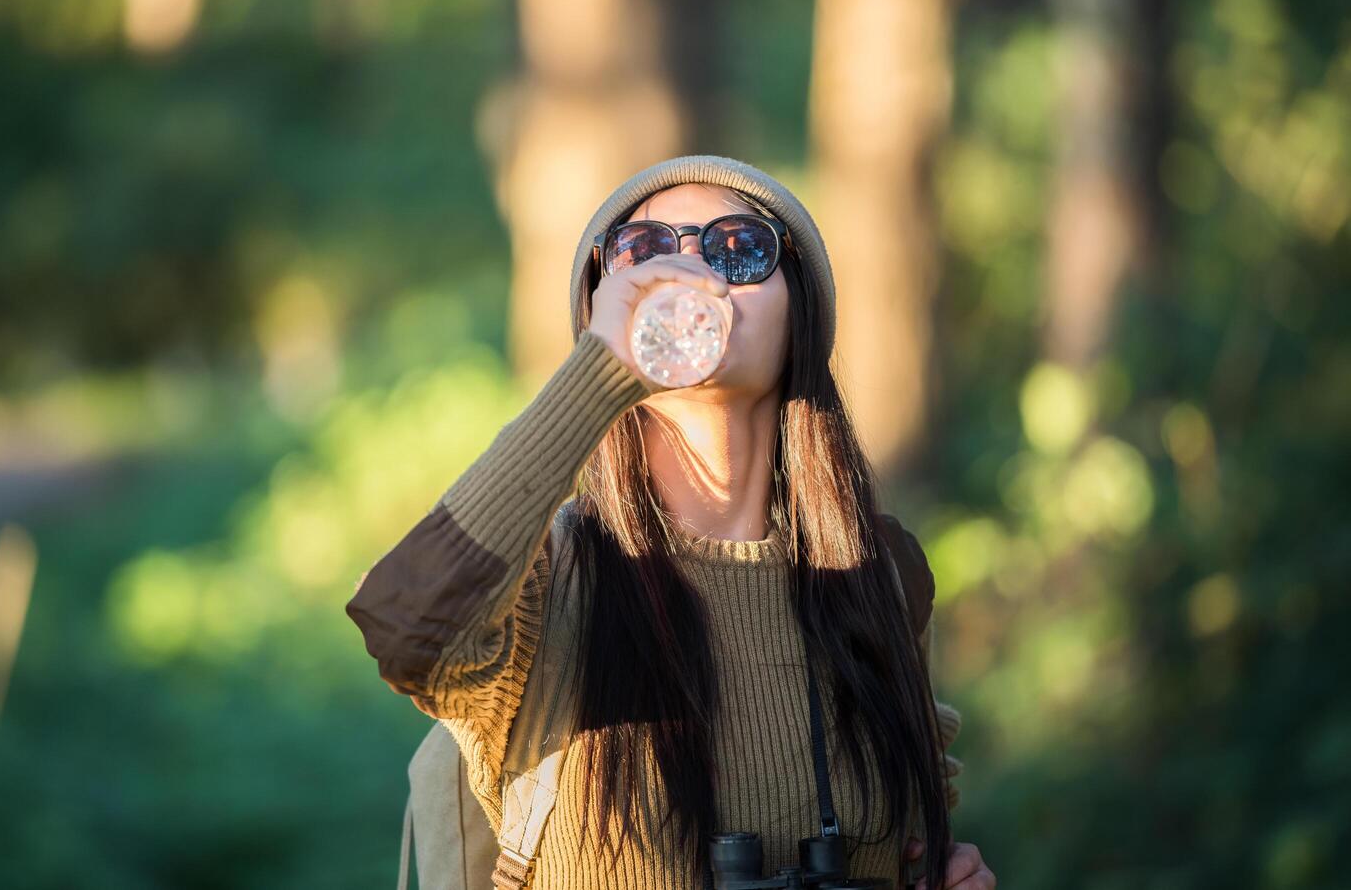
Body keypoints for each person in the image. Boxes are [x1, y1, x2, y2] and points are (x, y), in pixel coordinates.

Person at [347, 155, 996, 890]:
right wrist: (599, 374)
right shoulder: (548, 588)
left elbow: (918, 826)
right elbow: (406, 630)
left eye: (737, 248)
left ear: (801, 309)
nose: (693, 274)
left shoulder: (876, 574)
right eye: (643, 253)